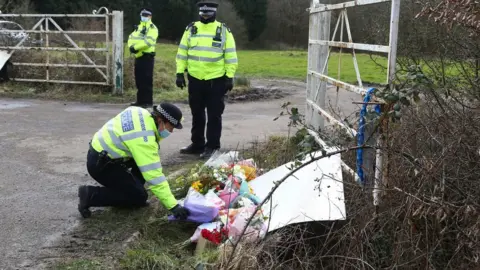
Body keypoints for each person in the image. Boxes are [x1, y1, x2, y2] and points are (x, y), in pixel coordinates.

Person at [77, 103, 190, 220]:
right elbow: (154, 176)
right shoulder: (144, 138)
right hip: (101, 166)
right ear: (160, 120)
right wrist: (173, 206)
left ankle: (130, 192)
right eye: (171, 127)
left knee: (138, 178)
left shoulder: (140, 112)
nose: (171, 131)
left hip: (101, 155)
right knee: (139, 196)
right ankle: (90, 195)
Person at [175, 1, 238, 159]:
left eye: (208, 14)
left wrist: (229, 77)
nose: (205, 16)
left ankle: (212, 147)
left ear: (214, 13)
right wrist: (179, 73)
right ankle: (197, 144)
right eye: (202, 14)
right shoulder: (191, 29)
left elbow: (230, 55)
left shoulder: (223, 31)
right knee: (197, 113)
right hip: (195, 79)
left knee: (214, 115)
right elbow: (182, 52)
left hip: (216, 80)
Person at [127, 8, 158, 108]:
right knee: (139, 80)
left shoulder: (152, 28)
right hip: (138, 57)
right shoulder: (139, 28)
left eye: (146, 15)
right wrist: (131, 47)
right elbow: (131, 37)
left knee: (146, 80)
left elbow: (149, 42)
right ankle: (140, 100)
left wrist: (135, 47)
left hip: (147, 57)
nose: (144, 17)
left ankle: (147, 101)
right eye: (143, 15)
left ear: (150, 17)